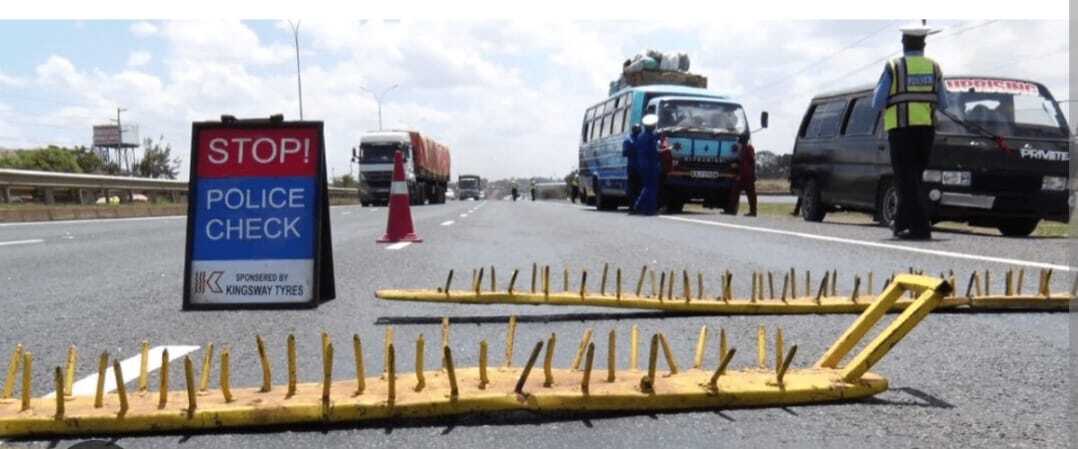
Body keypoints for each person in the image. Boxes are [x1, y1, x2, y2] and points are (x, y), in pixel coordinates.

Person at [872, 23, 947, 240]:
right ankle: (901, 224)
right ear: (924, 44)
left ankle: (920, 228)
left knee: (906, 179)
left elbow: (877, 103)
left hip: (901, 129)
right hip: (926, 131)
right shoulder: (934, 67)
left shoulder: (894, 66)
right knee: (913, 179)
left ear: (903, 43)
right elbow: (944, 103)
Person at [633, 115, 661, 215]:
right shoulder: (651, 137)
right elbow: (654, 151)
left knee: (647, 186)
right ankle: (648, 208)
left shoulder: (640, 136)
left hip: (642, 163)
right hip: (650, 164)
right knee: (651, 187)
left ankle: (640, 206)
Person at [728, 134, 758, 216]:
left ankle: (753, 211)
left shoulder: (748, 148)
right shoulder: (743, 148)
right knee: (735, 192)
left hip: (747, 175)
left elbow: (751, 161)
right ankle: (732, 210)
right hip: (743, 174)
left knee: (750, 194)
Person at [622, 124, 642, 213]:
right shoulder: (629, 140)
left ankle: (636, 207)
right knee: (633, 188)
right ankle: (632, 207)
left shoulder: (639, 139)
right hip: (634, 167)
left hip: (639, 167)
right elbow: (625, 153)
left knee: (638, 188)